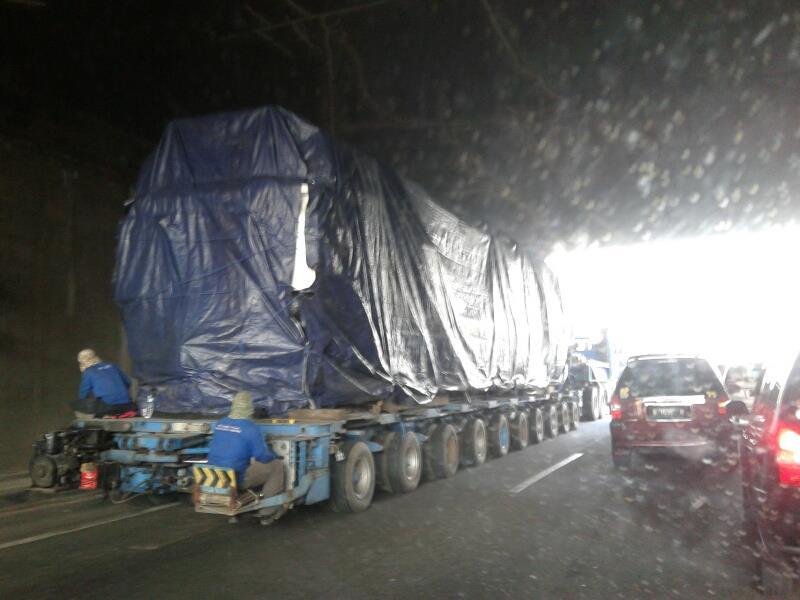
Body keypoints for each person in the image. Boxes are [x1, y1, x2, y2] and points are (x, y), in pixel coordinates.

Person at [207, 391, 284, 498]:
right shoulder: (250, 427)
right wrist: (273, 456)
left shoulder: (220, 423)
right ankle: (268, 511)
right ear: (250, 407)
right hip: (236, 478)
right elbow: (261, 456)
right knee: (277, 466)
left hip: (213, 475)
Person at [74, 349, 137, 418]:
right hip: (127, 406)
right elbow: (128, 382)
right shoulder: (112, 365)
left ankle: (99, 419)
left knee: (76, 404)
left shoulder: (88, 372)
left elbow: (83, 394)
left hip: (109, 408)